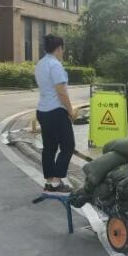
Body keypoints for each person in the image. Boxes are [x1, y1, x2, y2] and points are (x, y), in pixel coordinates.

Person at [35, 34, 75, 194]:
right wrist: (70, 111)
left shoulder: (40, 63)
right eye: (62, 49)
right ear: (59, 48)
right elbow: (61, 91)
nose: (62, 52)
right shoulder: (55, 65)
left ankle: (50, 181)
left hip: (42, 111)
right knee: (68, 146)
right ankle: (57, 182)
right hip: (56, 112)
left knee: (49, 147)